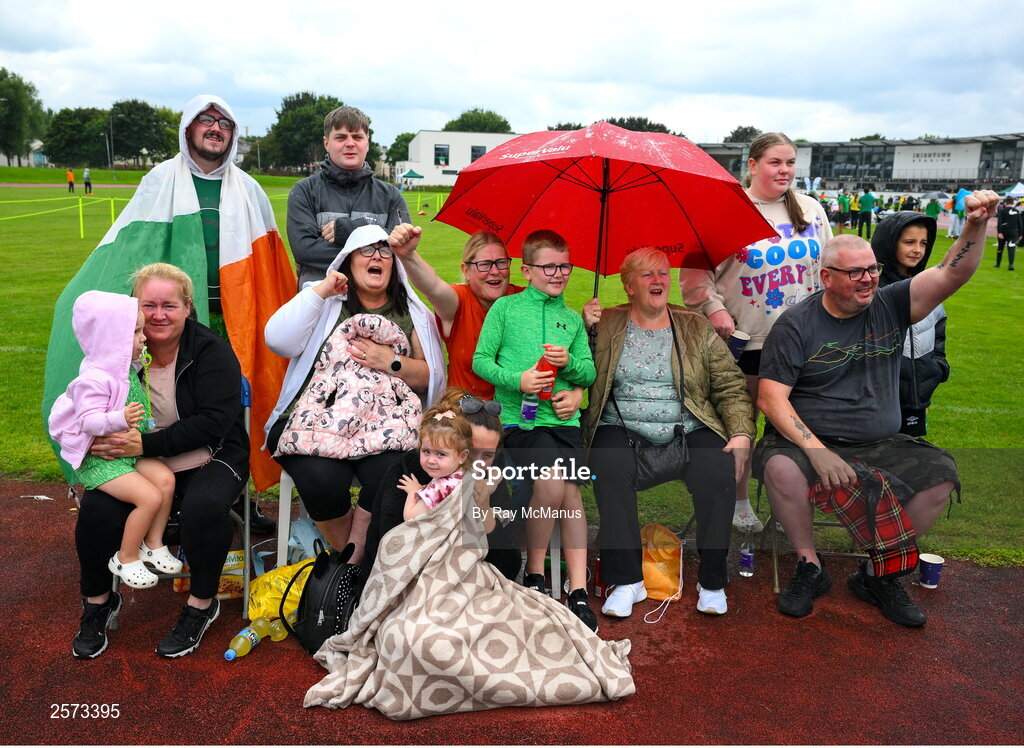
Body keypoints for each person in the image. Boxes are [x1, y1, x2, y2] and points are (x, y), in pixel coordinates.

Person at [43, 94, 296, 533]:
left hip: (236, 318)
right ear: (187, 128)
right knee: (167, 407)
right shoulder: (160, 179)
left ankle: (237, 494)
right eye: (205, 120)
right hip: (176, 320)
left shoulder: (249, 188)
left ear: (232, 134)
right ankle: (169, 500)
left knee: (234, 410)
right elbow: (131, 248)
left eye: (224, 122)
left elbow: (271, 259)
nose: (215, 128)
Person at [753, 190, 999, 627]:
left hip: (881, 441)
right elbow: (771, 397)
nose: (868, 279)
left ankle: (877, 573)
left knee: (940, 476)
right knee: (780, 468)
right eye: (855, 273)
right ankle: (810, 565)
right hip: (810, 440)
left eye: (872, 269)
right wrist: (816, 450)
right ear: (826, 277)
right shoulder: (796, 324)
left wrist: (976, 225)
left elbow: (950, 275)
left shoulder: (892, 303)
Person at [72, 263, 250, 659]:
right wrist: (95, 437)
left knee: (205, 508)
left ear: (188, 307)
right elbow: (83, 405)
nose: (157, 315)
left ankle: (201, 605)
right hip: (142, 460)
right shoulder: (115, 353)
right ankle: (99, 603)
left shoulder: (211, 351)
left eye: (169, 305)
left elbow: (214, 424)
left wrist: (142, 446)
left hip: (211, 454)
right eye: (147, 305)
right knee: (98, 509)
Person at [583, 248, 755, 618]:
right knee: (607, 466)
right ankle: (627, 580)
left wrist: (740, 433)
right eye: (647, 275)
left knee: (717, 472)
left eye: (662, 273)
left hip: (688, 426)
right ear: (629, 286)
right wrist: (585, 329)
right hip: (622, 426)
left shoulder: (694, 326)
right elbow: (575, 370)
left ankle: (711, 581)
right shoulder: (606, 323)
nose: (658, 280)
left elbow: (729, 385)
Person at [264, 224, 446, 564]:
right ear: (348, 260)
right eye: (367, 250)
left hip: (385, 424)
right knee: (320, 480)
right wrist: (320, 291)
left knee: (395, 475)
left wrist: (388, 361)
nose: (377, 256)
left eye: (385, 251)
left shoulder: (411, 313)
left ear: (394, 265)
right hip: (317, 417)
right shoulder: (326, 303)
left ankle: (346, 565)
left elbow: (428, 377)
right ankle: (356, 562)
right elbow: (278, 340)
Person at [681, 132, 832, 533]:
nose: (784, 171)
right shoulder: (725, 210)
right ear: (752, 165)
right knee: (740, 425)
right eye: (775, 162)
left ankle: (791, 505)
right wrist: (713, 308)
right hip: (747, 340)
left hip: (804, 340)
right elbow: (694, 274)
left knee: (796, 425)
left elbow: (829, 267)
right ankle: (739, 500)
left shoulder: (811, 209)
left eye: (790, 163)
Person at [473, 229, 598, 631]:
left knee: (572, 493)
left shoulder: (572, 319)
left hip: (564, 422)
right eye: (549, 267)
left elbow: (589, 372)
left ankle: (577, 589)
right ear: (526, 271)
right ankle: (537, 574)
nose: (558, 273)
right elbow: (481, 361)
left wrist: (572, 368)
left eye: (565, 265)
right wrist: (517, 381)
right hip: (520, 422)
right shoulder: (506, 309)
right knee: (553, 481)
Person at [49, 291, 180, 590]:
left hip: (125, 454)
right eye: (135, 332)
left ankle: (153, 543)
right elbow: (88, 420)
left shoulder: (122, 368)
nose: (143, 336)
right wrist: (120, 418)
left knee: (164, 480)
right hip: (100, 461)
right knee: (149, 498)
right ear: (112, 339)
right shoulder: (94, 379)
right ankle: (126, 556)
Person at [363, 389, 522, 581]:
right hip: (412, 578)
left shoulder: (491, 475)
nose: (477, 463)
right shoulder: (415, 467)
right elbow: (391, 547)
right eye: (470, 452)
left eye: (487, 455)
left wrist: (485, 510)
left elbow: (509, 566)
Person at [287, 105, 409, 288]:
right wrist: (372, 249)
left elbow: (400, 248)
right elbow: (305, 250)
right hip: (321, 304)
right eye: (341, 137)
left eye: (357, 137)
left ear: (367, 143)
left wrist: (353, 228)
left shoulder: (391, 196)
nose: (350, 143)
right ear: (326, 143)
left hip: (377, 306)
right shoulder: (304, 191)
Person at [872, 213, 949, 436]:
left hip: (918, 396)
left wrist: (939, 367)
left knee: (912, 455)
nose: (917, 249)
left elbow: (939, 331)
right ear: (889, 243)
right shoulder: (874, 291)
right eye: (909, 242)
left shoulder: (931, 288)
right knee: (880, 457)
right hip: (881, 399)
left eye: (923, 243)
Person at [400, 404, 472, 520]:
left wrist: (412, 491)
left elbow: (409, 517)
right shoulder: (466, 475)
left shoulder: (439, 489)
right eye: (426, 451)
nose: (431, 460)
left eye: (441, 454)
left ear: (462, 456)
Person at [995, 196, 1020, 270]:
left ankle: (998, 264)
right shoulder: (1016, 211)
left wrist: (999, 232)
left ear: (1005, 203)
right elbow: (1020, 223)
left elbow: (999, 222)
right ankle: (1011, 265)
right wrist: (1020, 234)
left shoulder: (1002, 211)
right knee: (1011, 248)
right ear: (1012, 203)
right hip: (1013, 232)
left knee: (1000, 248)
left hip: (1003, 232)